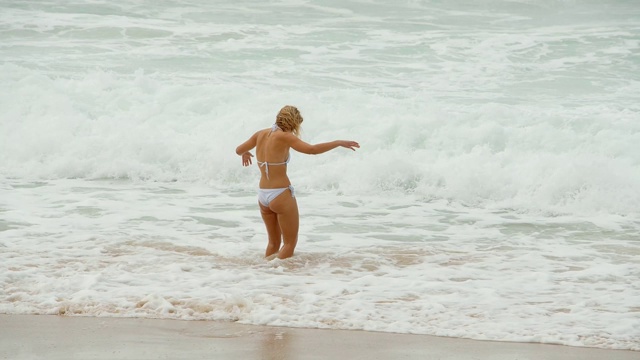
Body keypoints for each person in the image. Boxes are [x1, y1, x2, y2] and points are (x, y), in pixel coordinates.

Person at [235, 105, 359, 259]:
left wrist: (245, 153)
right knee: (289, 244)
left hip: (263, 195)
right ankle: (280, 277)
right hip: (280, 194)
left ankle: (265, 274)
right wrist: (338, 142)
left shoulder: (260, 134)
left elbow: (239, 149)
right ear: (292, 122)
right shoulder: (285, 137)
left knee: (273, 244)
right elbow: (312, 150)